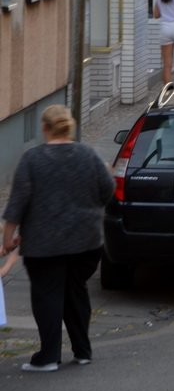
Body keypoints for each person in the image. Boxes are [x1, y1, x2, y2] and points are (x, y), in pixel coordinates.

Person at [2, 105, 115, 372]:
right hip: (86, 242)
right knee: (76, 291)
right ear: (69, 127)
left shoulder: (32, 159)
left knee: (48, 296)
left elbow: (16, 205)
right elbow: (108, 191)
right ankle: (83, 350)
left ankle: (49, 357)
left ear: (44, 128)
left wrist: (8, 240)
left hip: (45, 245)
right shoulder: (89, 155)